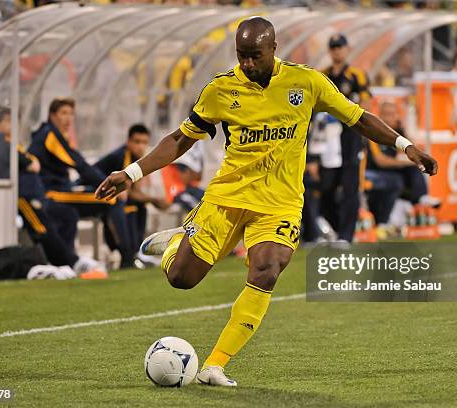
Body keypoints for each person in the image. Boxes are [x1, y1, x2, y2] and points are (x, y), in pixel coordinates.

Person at [96, 17, 437, 386]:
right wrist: (130, 174)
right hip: (227, 197)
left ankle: (214, 365)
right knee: (182, 279)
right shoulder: (221, 90)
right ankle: (175, 246)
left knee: (267, 268)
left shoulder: (306, 82)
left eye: (254, 56)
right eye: (241, 56)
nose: (247, 64)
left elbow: (358, 118)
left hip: (280, 203)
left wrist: (406, 146)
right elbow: (181, 139)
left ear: (273, 49)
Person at [0, 106, 104, 275]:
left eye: (14, 121)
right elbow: (29, 164)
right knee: (42, 228)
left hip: (36, 196)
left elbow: (31, 163)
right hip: (21, 198)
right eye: (8, 121)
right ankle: (68, 263)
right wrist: (29, 162)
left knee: (68, 214)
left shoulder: (13, 144)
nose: (13, 125)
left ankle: (66, 261)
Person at [28, 98, 136, 269]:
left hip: (62, 189)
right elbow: (79, 164)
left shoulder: (54, 134)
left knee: (95, 205)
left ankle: (123, 254)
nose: (68, 118)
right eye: (63, 113)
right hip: (50, 192)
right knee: (112, 199)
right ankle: (128, 258)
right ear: (52, 115)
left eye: (71, 114)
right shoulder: (50, 134)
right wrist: (109, 184)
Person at [319, 33, 372, 242]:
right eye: (333, 47)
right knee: (326, 186)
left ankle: (346, 236)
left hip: (351, 137)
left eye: (340, 46)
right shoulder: (323, 75)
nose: (337, 51)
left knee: (350, 186)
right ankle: (333, 228)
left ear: (346, 49)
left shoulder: (357, 75)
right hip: (328, 139)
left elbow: (366, 106)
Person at [94, 124, 169, 248]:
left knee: (139, 205)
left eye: (144, 142)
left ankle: (137, 249)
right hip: (93, 192)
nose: (141, 147)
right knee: (127, 205)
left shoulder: (137, 159)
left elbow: (136, 191)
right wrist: (154, 200)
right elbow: (128, 193)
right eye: (137, 142)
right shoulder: (121, 157)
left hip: (112, 197)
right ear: (128, 142)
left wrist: (153, 200)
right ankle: (127, 252)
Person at [365, 101, 432, 229]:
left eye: (392, 114)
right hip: (373, 171)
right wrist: (403, 163)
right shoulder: (373, 133)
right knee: (398, 179)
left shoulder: (398, 133)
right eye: (386, 114)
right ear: (379, 115)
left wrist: (404, 129)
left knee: (414, 168)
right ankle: (384, 221)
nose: (389, 118)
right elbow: (380, 161)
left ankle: (421, 201)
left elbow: (412, 150)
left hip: (392, 171)